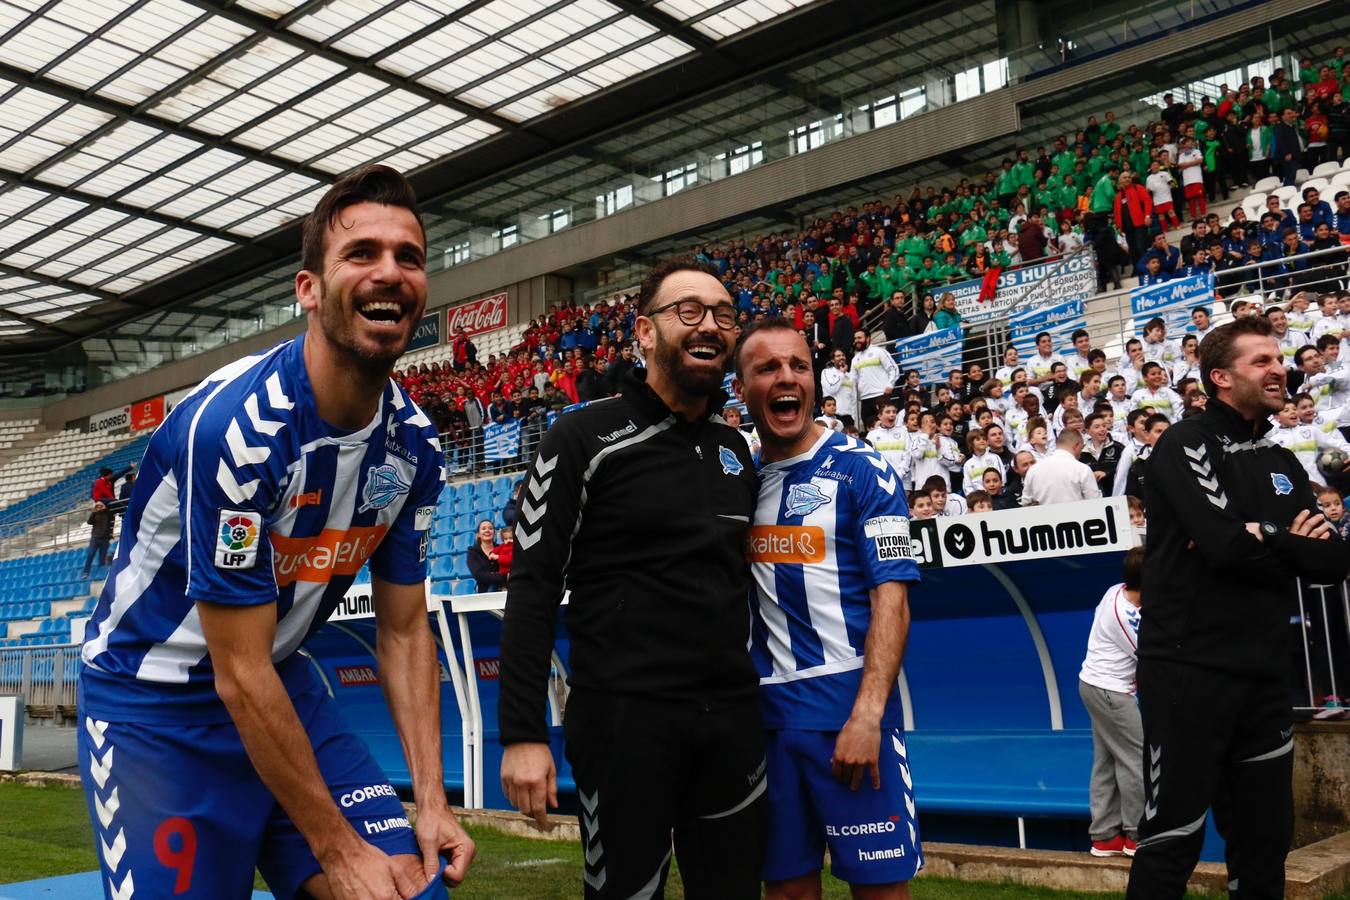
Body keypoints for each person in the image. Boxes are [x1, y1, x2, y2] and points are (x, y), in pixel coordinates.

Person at [77, 166, 475, 900]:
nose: (389, 270)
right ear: (309, 289)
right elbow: (237, 671)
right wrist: (337, 849)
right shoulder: (237, 429)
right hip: (158, 705)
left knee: (412, 893)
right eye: (361, 253)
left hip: (281, 684)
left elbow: (405, 629)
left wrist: (432, 803)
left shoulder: (415, 446)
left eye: (408, 256)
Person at [498, 257, 766, 899]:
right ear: (644, 332)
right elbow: (532, 588)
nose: (709, 326)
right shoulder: (580, 438)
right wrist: (523, 733)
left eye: (724, 315)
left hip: (731, 722)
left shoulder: (736, 450)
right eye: (688, 311)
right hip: (623, 725)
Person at [1127, 316, 1350, 900]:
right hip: (1189, 671)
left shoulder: (1279, 459)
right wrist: (1289, 542)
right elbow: (1225, 548)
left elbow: (1333, 562)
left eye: (1279, 358)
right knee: (1172, 837)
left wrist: (1266, 533)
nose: (1280, 369)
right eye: (1262, 361)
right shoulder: (1186, 443)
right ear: (1221, 378)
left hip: (1266, 674)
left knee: (1265, 841)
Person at [733, 318, 923, 899]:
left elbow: (892, 595)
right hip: (764, 722)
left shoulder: (864, 469)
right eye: (767, 368)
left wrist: (867, 715)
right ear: (740, 389)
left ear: (815, 382)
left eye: (798, 366)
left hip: (846, 714)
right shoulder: (738, 481)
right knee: (786, 889)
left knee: (879, 889)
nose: (786, 377)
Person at [1079, 546, 1146, 858]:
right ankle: (1136, 835)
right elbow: (1150, 657)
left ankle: (1104, 838)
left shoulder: (1114, 591)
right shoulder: (1127, 618)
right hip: (1112, 692)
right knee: (1135, 759)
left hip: (1094, 686)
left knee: (1107, 761)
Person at [1020, 429, 1101, 505]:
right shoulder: (1082, 470)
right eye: (1082, 447)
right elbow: (1095, 502)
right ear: (1076, 445)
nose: (1081, 451)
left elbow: (1026, 503)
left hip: (1044, 518)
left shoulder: (1033, 470)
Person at [852, 330, 900, 429]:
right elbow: (853, 380)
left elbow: (894, 369)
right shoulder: (855, 359)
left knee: (885, 427)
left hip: (880, 396)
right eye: (855, 338)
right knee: (869, 429)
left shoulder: (879, 351)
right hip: (864, 399)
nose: (857, 340)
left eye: (860, 338)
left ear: (868, 338)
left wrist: (890, 385)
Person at [466, 519, 508, 591]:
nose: (487, 530)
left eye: (490, 528)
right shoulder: (473, 552)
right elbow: (479, 575)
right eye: (483, 528)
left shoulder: (502, 549)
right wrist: (505, 576)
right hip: (485, 593)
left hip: (505, 589)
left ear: (494, 533)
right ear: (478, 534)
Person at [81, 500, 114, 577]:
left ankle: (101, 573)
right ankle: (86, 572)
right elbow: (89, 522)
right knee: (91, 554)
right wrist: (94, 512)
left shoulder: (108, 513)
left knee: (102, 558)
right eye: (97, 506)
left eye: (100, 506)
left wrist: (104, 508)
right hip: (95, 538)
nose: (99, 507)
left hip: (105, 539)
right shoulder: (95, 514)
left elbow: (111, 517)